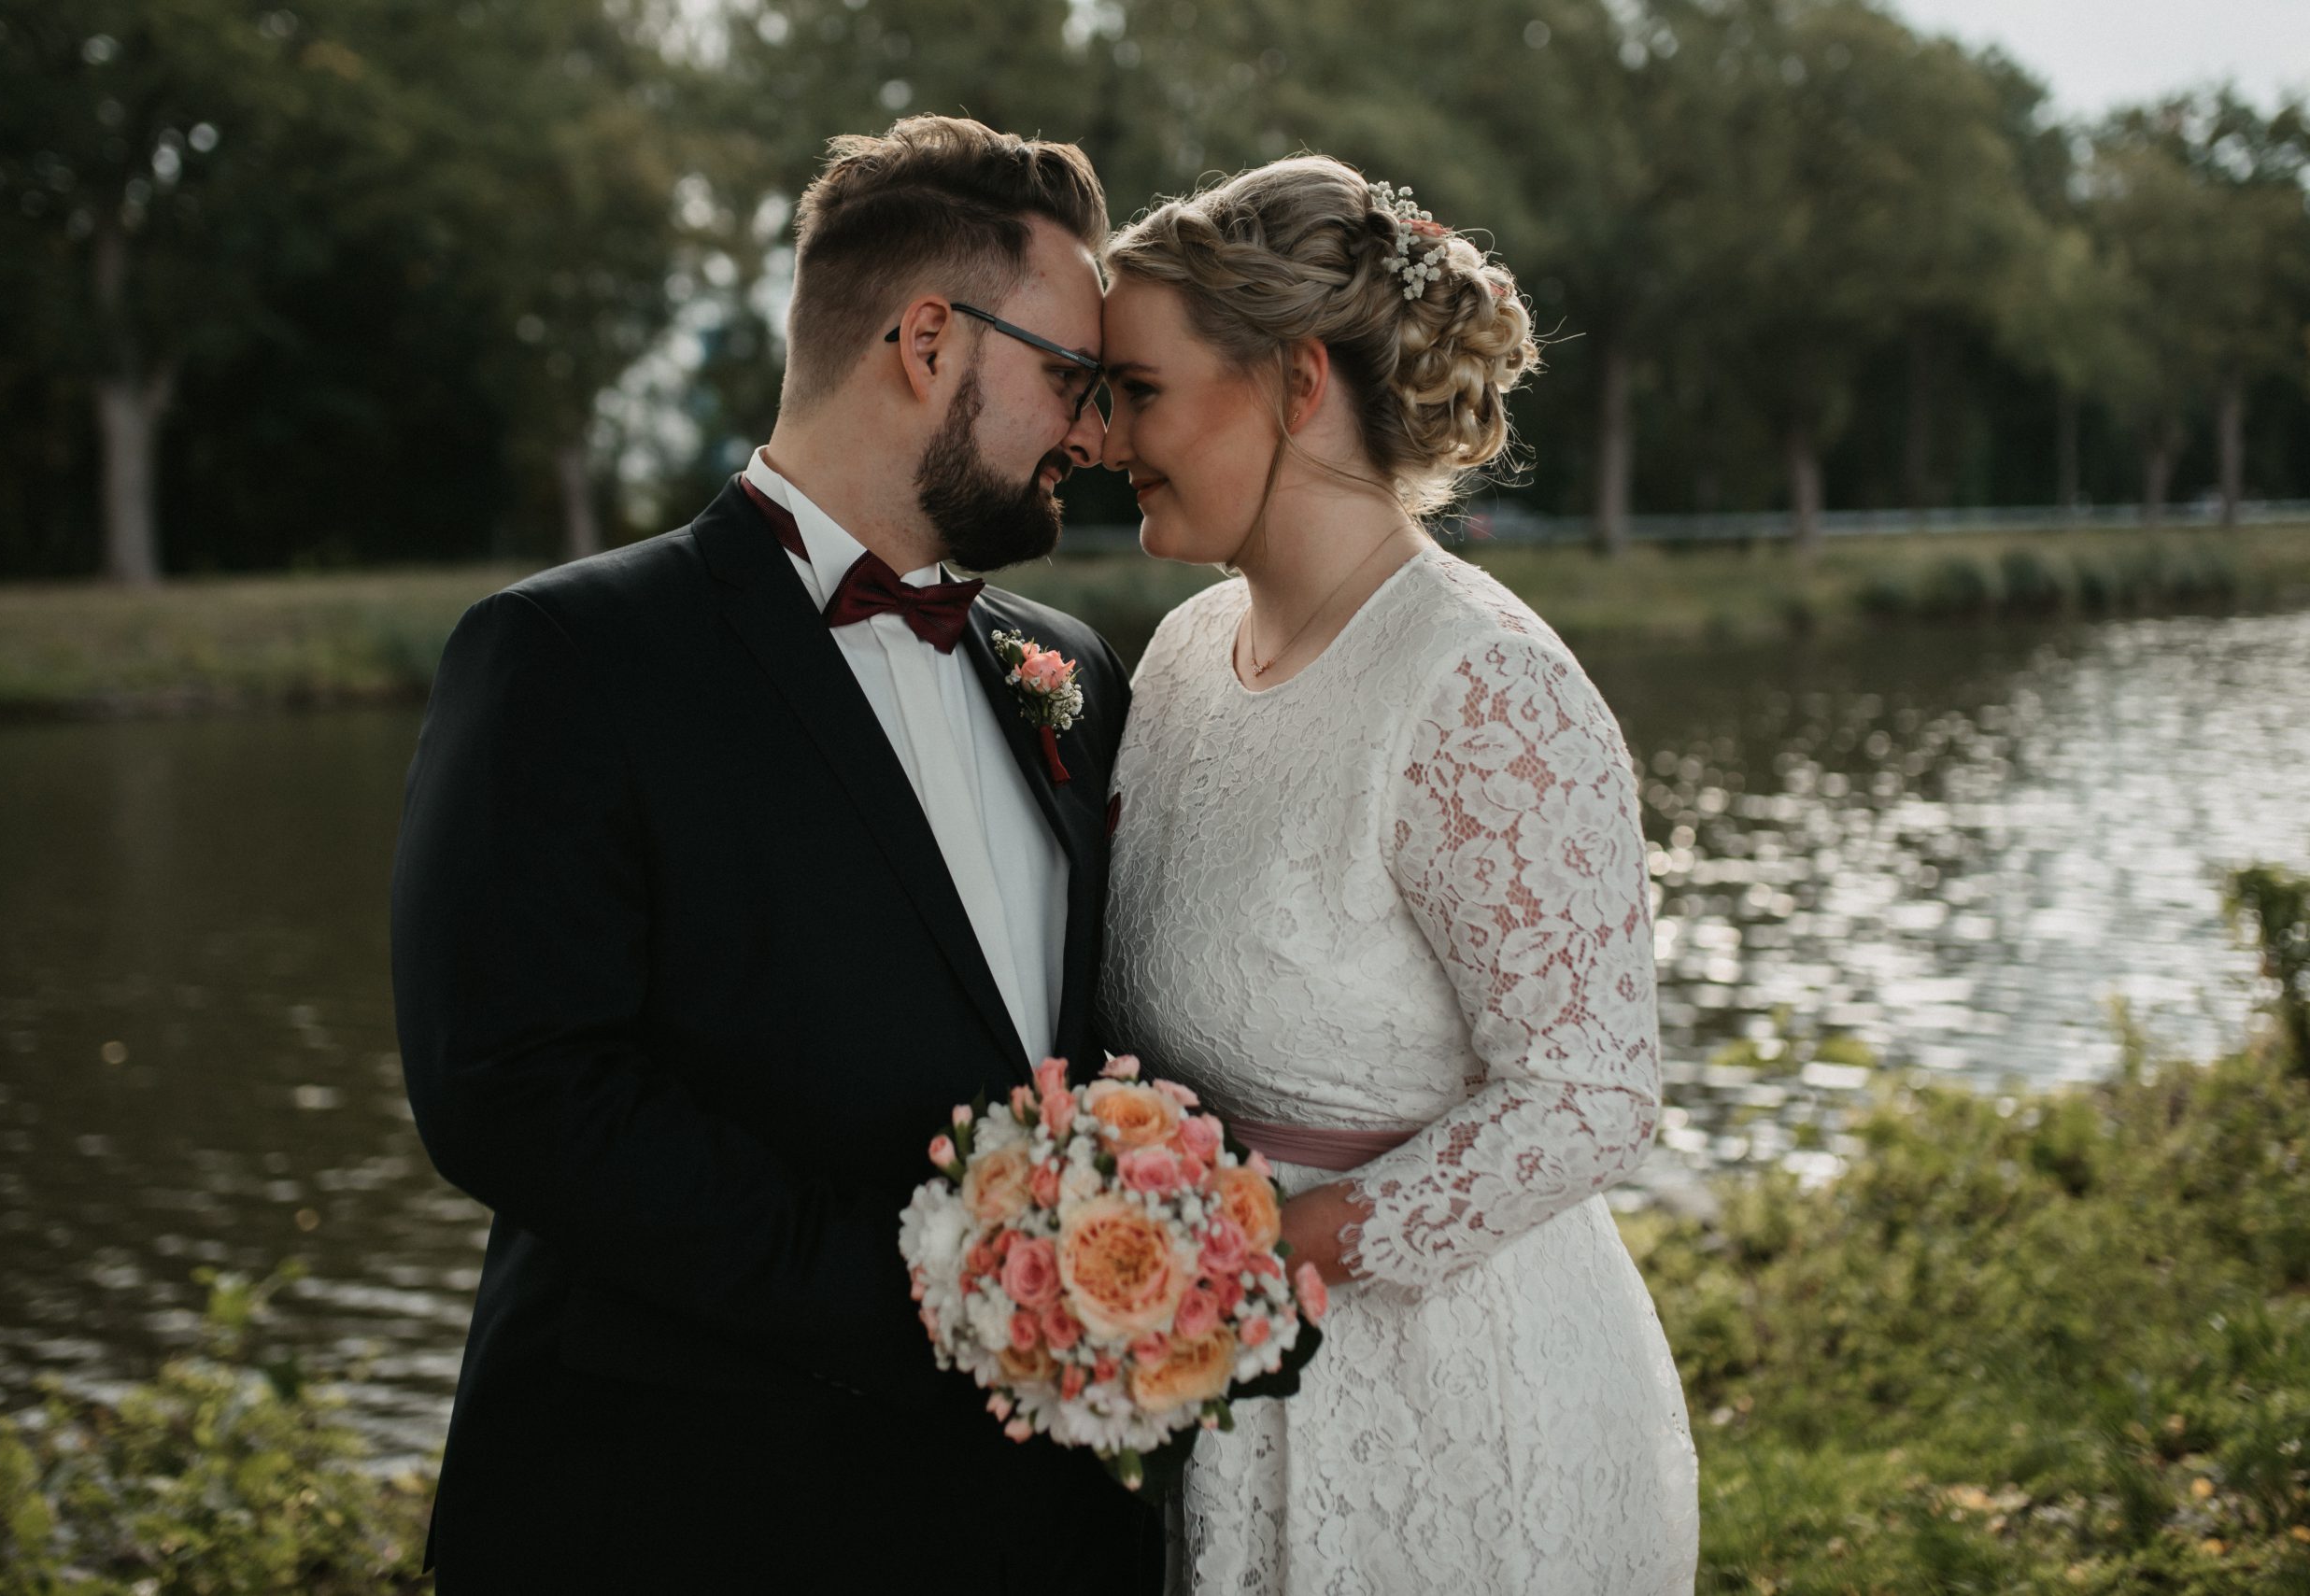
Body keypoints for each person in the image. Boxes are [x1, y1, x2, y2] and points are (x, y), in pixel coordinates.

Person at [390, 115, 1160, 1593]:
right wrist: (926, 1304)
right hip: (678, 1504)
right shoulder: (564, 655)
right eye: (1069, 379)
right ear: (927, 340)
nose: (1094, 435)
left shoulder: (1068, 671)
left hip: (1017, 1521)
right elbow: (512, 1088)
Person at [1096, 156, 1699, 1592]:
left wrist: (1274, 1251)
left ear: (1298, 381)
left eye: (1139, 390)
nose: (1100, 431)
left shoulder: (1478, 687)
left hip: (1449, 1399)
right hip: (1228, 1373)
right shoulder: (1180, 659)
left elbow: (1593, 1089)